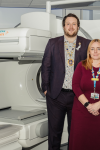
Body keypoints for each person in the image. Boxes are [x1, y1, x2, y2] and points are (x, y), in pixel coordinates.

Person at [41, 13, 91, 150]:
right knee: (54, 133)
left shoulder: (86, 44)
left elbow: (90, 68)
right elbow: (45, 66)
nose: (71, 26)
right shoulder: (53, 43)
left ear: (78, 27)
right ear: (63, 26)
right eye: (68, 24)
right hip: (56, 96)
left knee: (75, 133)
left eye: (74, 24)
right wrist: (45, 89)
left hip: (77, 96)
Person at [69, 39, 100, 150]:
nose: (95, 51)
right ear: (89, 51)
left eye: (98, 48)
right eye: (92, 48)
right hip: (82, 111)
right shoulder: (81, 65)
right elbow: (75, 86)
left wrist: (98, 105)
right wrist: (88, 105)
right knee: (81, 141)